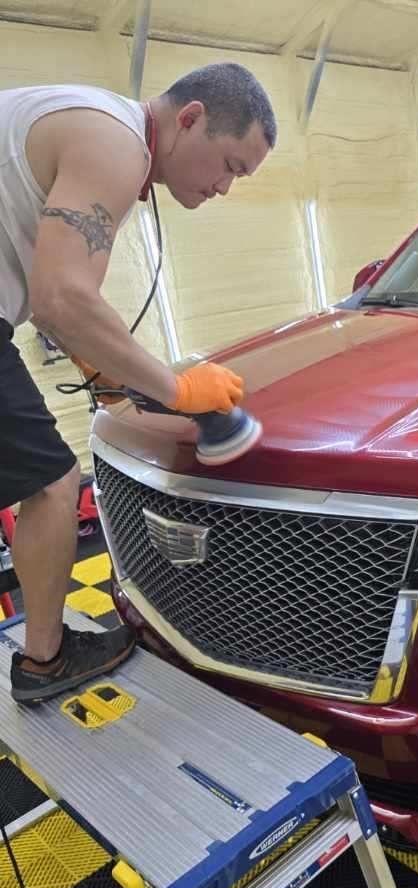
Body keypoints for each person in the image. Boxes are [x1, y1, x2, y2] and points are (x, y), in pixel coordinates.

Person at [0, 63, 277, 705]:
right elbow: (63, 298)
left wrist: (111, 380)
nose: (225, 189)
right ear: (190, 119)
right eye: (231, 166)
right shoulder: (116, 143)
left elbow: (59, 305)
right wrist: (181, 392)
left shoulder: (84, 119)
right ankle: (45, 661)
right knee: (53, 482)